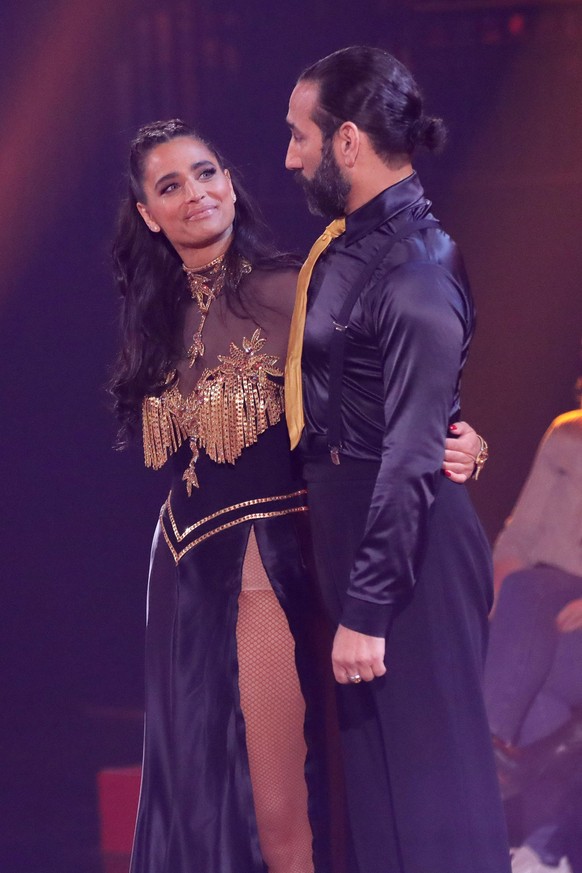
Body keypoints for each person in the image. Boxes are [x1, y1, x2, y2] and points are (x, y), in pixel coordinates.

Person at [109, 118, 481, 873]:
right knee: (205, 801)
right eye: (170, 186)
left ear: (230, 181)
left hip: (266, 571)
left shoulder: (295, 284)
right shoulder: (153, 316)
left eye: (205, 172)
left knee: (284, 805)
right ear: (148, 213)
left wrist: (466, 438)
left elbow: (393, 385)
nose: (195, 195)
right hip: (182, 581)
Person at [284, 46, 510, 873]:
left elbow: (415, 449)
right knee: (381, 807)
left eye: (298, 135)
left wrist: (370, 605)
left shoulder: (416, 263)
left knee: (436, 798)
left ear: (347, 140)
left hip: (407, 555)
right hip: (358, 527)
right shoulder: (348, 246)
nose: (290, 155)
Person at [484, 389, 582, 873]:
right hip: (540, 603)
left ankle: (484, 774)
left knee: (547, 660)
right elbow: (519, 532)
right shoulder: (569, 431)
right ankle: (532, 851)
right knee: (521, 594)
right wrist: (491, 607)